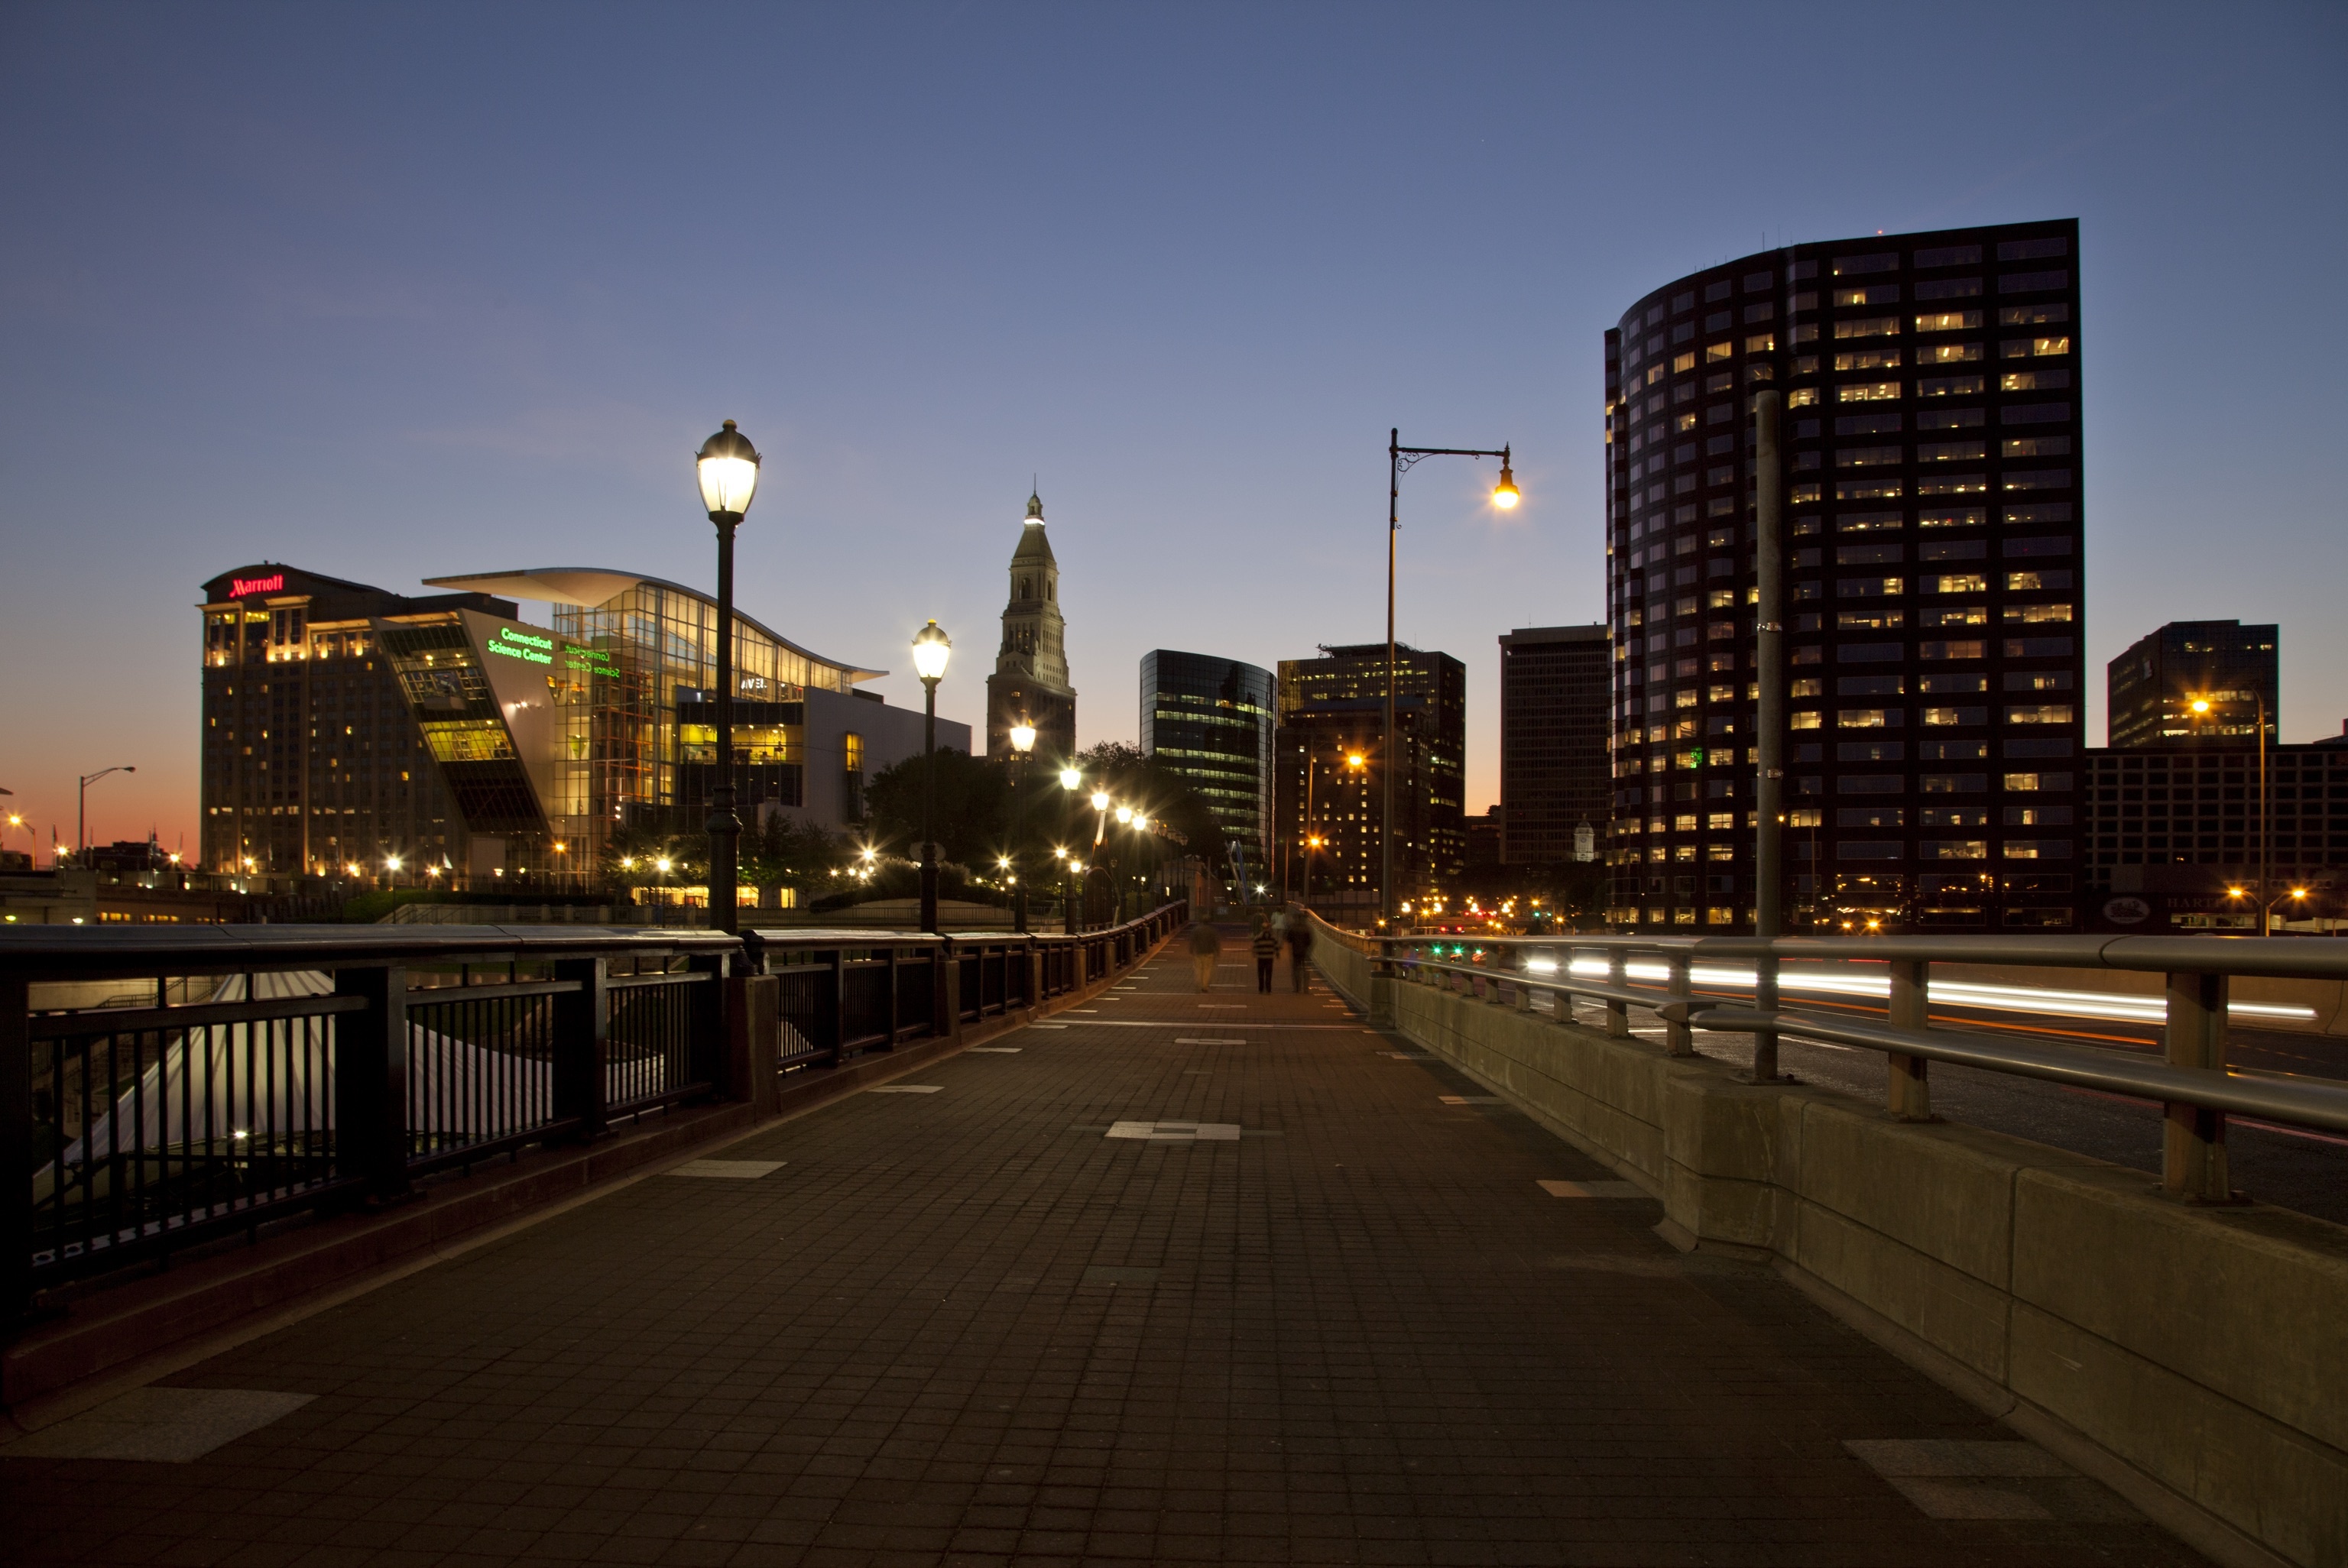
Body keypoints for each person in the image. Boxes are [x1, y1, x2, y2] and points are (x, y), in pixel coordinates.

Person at [1188, 919, 1222, 992]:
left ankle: (1199, 984)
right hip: (1209, 952)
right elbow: (1216, 942)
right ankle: (1205, 986)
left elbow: (1192, 941)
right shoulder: (1212, 930)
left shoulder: (1196, 930)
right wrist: (1217, 951)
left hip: (1198, 952)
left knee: (1198, 969)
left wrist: (1191, 949)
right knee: (1207, 969)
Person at [1286, 909, 1315, 992]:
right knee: (1305, 969)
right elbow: (1310, 941)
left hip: (1295, 951)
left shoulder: (1293, 928)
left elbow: (1289, 939)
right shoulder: (1307, 929)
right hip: (1305, 951)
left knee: (1296, 969)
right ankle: (1306, 988)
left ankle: (1297, 988)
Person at [1251, 918, 1279, 993]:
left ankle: (1261, 988)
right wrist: (1277, 953)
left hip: (1261, 957)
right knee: (1269, 973)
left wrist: (1255, 953)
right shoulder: (1273, 937)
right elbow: (1276, 946)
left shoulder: (1258, 937)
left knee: (1261, 973)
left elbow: (1255, 946)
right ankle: (1268, 988)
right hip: (1270, 957)